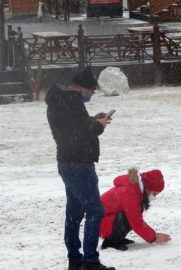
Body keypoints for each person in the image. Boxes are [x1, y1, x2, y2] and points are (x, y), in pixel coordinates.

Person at [45, 66, 115, 270]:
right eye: (91, 92)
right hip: (80, 164)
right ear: (83, 88)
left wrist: (92, 119)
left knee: (74, 214)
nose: (90, 97)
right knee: (95, 211)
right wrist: (99, 125)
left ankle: (74, 259)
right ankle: (91, 261)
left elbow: (72, 128)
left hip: (66, 162)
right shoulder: (74, 100)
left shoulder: (58, 101)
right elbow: (84, 134)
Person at [99, 169, 171, 250]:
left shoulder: (135, 190)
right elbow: (136, 221)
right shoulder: (129, 192)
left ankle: (117, 238)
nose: (154, 197)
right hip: (100, 224)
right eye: (154, 193)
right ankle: (111, 241)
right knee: (127, 216)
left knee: (130, 214)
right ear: (148, 188)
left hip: (105, 221)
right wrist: (153, 237)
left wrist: (153, 235)